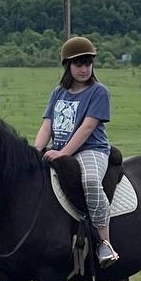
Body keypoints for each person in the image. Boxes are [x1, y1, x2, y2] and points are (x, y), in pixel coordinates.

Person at [35, 36, 119, 265]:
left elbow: (88, 127)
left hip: (91, 149)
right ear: (68, 66)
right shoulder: (57, 93)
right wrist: (36, 150)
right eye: (78, 64)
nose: (84, 69)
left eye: (87, 63)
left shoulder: (98, 91)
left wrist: (63, 154)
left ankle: (104, 243)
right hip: (61, 149)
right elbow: (47, 125)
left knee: (91, 181)